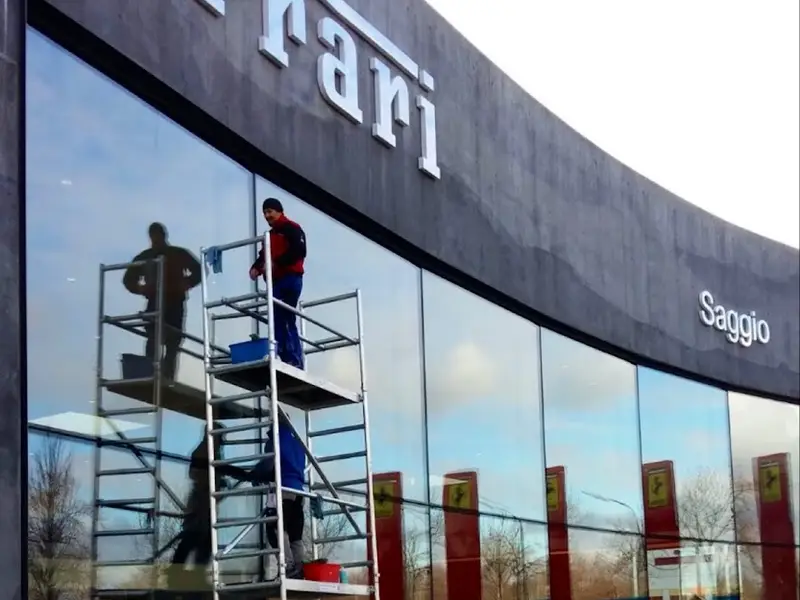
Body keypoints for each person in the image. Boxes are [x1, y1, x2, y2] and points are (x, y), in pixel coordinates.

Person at [169, 423, 251, 588]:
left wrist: (221, 480)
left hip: (205, 501)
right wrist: (241, 474)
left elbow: (213, 469)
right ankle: (180, 575)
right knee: (196, 538)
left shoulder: (208, 450)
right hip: (202, 501)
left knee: (199, 539)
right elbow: (210, 469)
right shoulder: (206, 450)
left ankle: (185, 575)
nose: (223, 441)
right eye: (221, 436)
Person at [123, 223, 201, 380]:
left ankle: (166, 378)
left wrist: (186, 283)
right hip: (155, 301)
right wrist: (141, 288)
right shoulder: (146, 257)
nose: (156, 238)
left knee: (172, 342)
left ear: (163, 235)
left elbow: (198, 270)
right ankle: (151, 375)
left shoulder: (177, 254)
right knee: (153, 339)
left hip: (175, 302)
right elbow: (128, 279)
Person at [249, 198, 306, 369]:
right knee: (280, 318)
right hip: (278, 281)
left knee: (283, 317)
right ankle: (290, 358)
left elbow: (299, 250)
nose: (267, 216)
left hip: (290, 278)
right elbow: (263, 256)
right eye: (265, 213)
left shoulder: (292, 229)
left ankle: (293, 359)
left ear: (279, 211)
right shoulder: (270, 235)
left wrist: (277, 263)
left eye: (270, 212)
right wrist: (256, 268)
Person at [252, 411, 307, 579]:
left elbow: (269, 465)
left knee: (275, 528)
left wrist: (256, 474)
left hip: (282, 489)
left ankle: (287, 567)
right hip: (298, 492)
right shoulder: (297, 442)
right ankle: (299, 568)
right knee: (295, 533)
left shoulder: (274, 440)